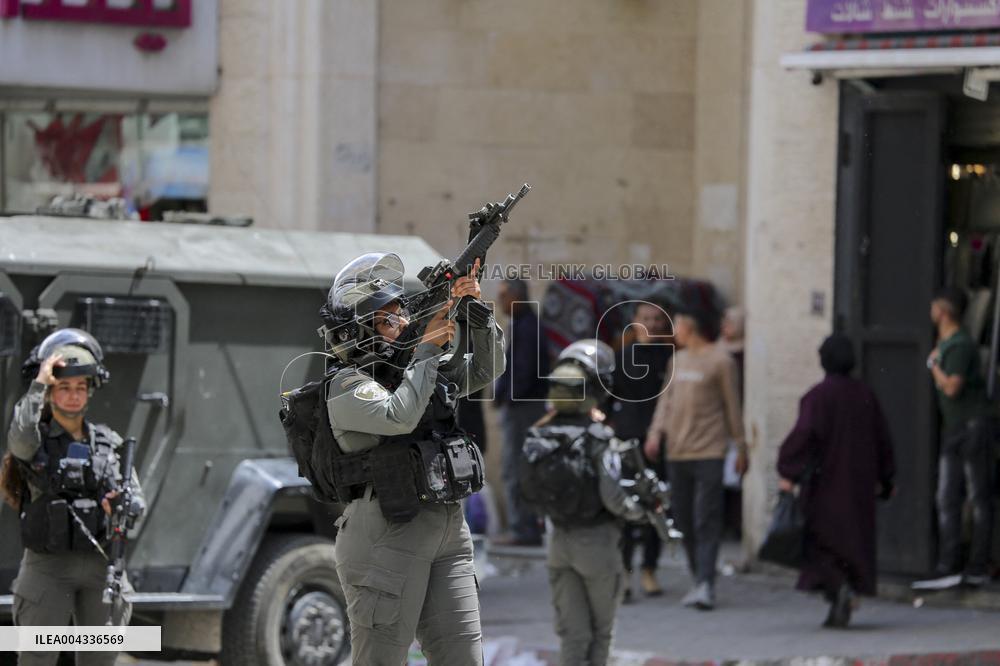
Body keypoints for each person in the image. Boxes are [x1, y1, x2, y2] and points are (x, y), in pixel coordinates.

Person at [321, 252, 505, 665]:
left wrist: (473, 310)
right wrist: (425, 351)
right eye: (388, 319)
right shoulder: (346, 384)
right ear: (359, 332)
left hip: (447, 530)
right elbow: (398, 415)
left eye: (401, 312)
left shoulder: (420, 369)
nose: (402, 322)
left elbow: (486, 370)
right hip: (386, 533)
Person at [0, 328, 146, 666]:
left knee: (100, 659)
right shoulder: (34, 442)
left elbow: (136, 500)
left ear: (90, 391)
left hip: (101, 564)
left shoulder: (109, 443)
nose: (73, 395)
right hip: (47, 565)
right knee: (36, 657)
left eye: (80, 387)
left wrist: (121, 507)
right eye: (64, 387)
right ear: (51, 392)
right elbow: (19, 439)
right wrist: (39, 382)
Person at [520, 339, 645, 666]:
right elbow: (613, 497)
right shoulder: (599, 437)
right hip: (597, 546)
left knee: (572, 635)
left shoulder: (541, 433)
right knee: (601, 633)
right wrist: (639, 511)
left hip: (557, 543)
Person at [777, 333, 896, 628]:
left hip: (824, 485)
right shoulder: (865, 395)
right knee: (851, 544)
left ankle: (839, 591)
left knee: (821, 543)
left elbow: (803, 436)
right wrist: (886, 478)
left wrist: (788, 471)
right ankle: (843, 595)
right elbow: (882, 439)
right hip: (858, 486)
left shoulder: (817, 397)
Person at [646, 306, 746, 610]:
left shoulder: (721, 361)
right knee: (685, 520)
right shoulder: (676, 360)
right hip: (677, 451)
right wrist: (655, 433)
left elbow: (732, 406)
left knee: (706, 518)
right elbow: (665, 401)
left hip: (709, 451)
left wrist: (741, 447)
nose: (674, 331)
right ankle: (697, 577)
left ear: (691, 326)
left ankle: (706, 584)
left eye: (677, 325)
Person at [917, 287, 995, 589]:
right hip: (956, 427)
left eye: (934, 307)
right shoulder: (947, 343)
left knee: (976, 497)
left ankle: (976, 566)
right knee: (949, 496)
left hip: (971, 426)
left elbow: (952, 387)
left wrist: (933, 366)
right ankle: (949, 564)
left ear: (944, 311)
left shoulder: (960, 345)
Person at [610, 301, 672, 599]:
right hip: (626, 440)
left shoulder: (669, 358)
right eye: (646, 317)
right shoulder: (620, 357)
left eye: (657, 318)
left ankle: (649, 568)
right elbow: (607, 399)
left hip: (657, 442)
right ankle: (624, 571)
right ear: (634, 321)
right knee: (625, 507)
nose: (651, 323)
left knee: (655, 506)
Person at [494, 277, 549, 546]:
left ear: (516, 297)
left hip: (523, 408)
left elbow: (524, 371)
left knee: (516, 467)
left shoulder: (528, 327)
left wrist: (508, 397)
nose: (500, 301)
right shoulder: (522, 324)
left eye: (504, 295)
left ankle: (522, 529)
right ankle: (525, 527)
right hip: (521, 405)